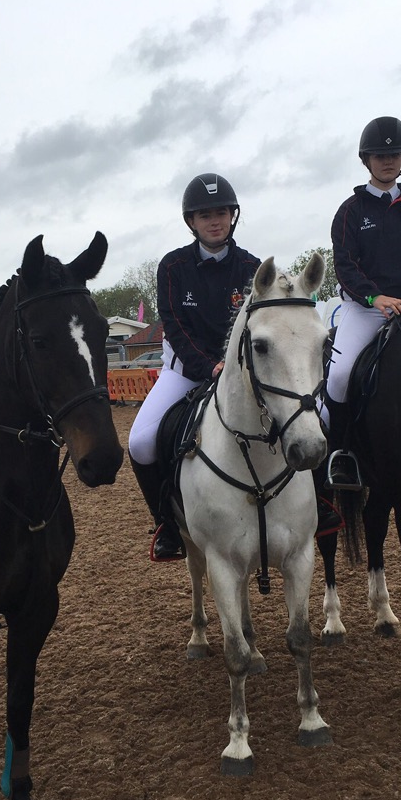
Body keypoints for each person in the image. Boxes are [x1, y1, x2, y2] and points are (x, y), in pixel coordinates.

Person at [127, 174, 262, 561]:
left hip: (242, 372)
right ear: (191, 221)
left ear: (233, 216)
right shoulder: (172, 266)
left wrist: (235, 366)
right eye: (205, 215)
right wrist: (210, 367)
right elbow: (176, 328)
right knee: (139, 442)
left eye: (221, 212)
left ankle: (314, 504)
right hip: (184, 371)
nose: (214, 221)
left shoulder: (252, 266)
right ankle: (167, 524)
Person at [325, 116, 401, 488]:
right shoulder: (350, 211)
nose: (388, 161)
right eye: (380, 155)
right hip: (365, 311)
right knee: (341, 376)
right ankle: (342, 453)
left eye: (394, 153)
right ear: (366, 160)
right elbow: (345, 265)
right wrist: (374, 297)